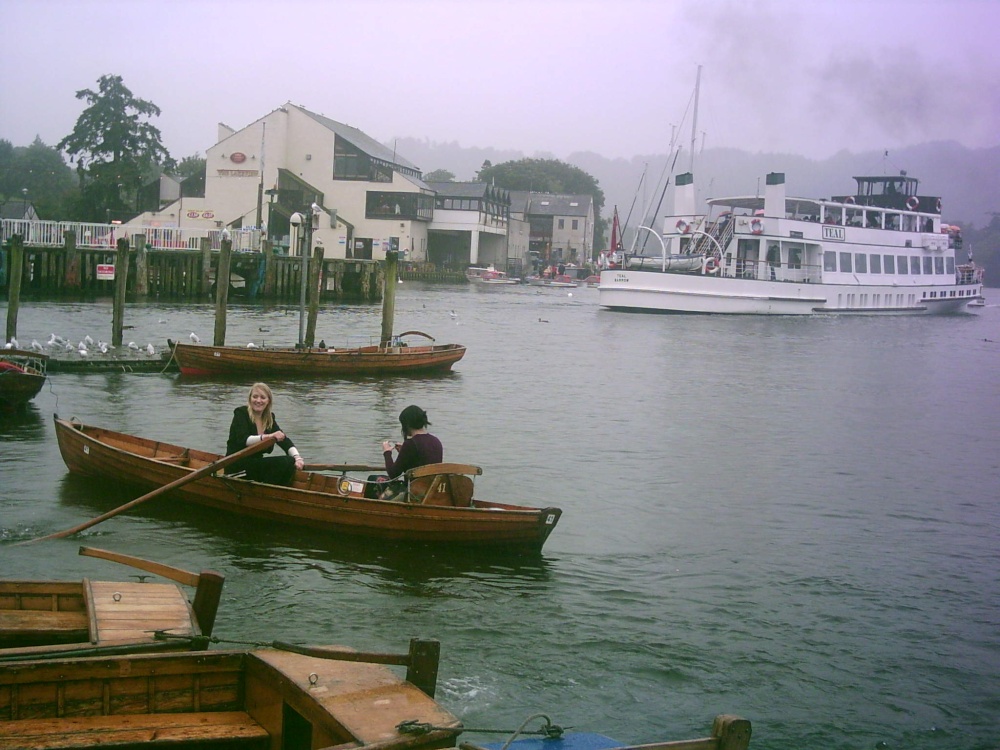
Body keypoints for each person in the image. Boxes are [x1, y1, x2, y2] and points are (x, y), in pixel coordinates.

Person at [225, 382, 303, 485]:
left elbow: (284, 439)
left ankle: (276, 493)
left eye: (263, 397)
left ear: (268, 401)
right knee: (285, 462)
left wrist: (297, 458)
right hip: (237, 466)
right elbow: (244, 439)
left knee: (290, 463)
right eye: (255, 397)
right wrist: (269, 436)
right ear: (250, 399)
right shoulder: (241, 413)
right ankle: (267, 493)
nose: (258, 401)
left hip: (254, 466)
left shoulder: (269, 419)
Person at [382, 404, 443, 479]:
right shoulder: (436, 441)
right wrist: (403, 452)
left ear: (406, 424)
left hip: (415, 488)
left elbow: (393, 474)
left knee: (374, 478)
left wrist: (387, 453)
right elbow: (421, 461)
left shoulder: (410, 444)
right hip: (431, 486)